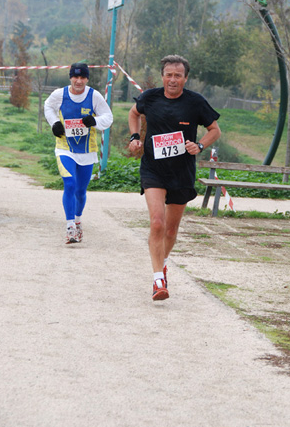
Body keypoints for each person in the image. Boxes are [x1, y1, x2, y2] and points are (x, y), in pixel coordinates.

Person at [128, 54, 221, 301]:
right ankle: (158, 279)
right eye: (168, 75)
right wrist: (135, 138)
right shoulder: (150, 97)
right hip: (153, 169)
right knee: (157, 222)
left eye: (177, 75)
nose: (172, 80)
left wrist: (199, 146)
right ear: (162, 76)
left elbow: (215, 130)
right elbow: (133, 114)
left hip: (181, 172)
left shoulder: (195, 102)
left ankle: (164, 262)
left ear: (185, 78)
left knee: (170, 230)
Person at [44, 63, 113, 244]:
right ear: (70, 78)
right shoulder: (59, 95)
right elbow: (48, 107)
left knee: (81, 191)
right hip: (64, 148)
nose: (79, 81)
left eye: (82, 77)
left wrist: (95, 121)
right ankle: (70, 227)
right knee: (70, 183)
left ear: (87, 79)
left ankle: (77, 220)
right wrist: (54, 123)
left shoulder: (94, 96)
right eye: (75, 77)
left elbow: (108, 117)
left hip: (87, 151)